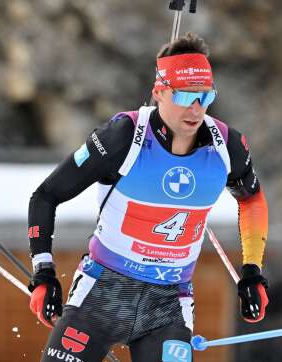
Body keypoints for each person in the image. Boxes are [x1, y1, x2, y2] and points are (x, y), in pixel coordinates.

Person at [27, 33, 269, 362]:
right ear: (159, 93)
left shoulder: (227, 146)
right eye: (184, 96)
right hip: (103, 292)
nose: (196, 108)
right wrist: (43, 272)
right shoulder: (123, 138)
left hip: (169, 303)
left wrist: (252, 271)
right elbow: (46, 195)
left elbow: (251, 199)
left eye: (204, 96)